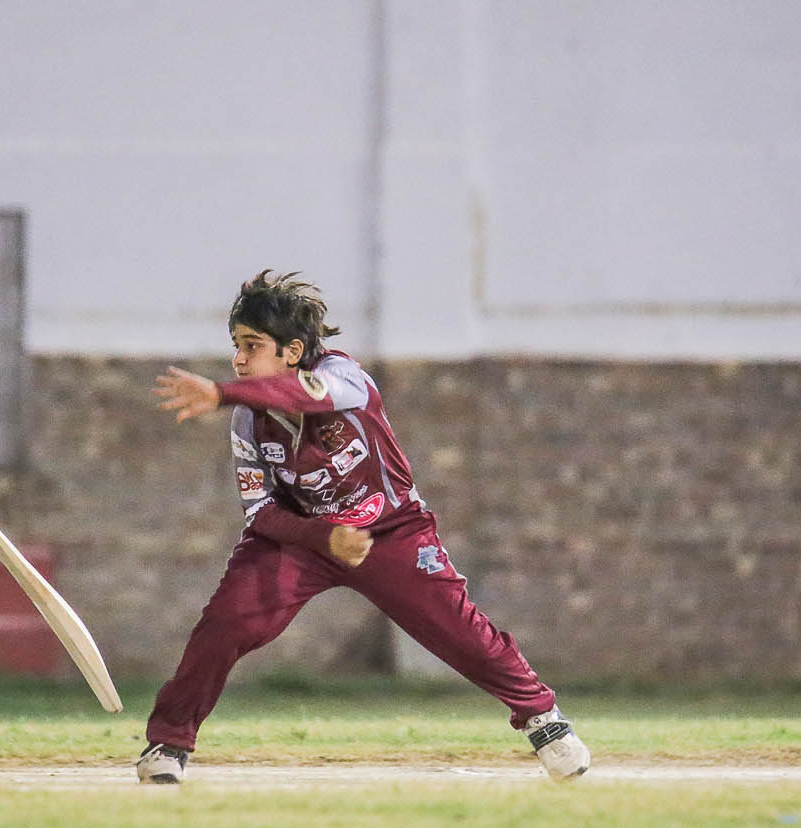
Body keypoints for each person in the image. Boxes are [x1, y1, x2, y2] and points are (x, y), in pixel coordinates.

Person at [138, 270, 591, 784]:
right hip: (303, 538)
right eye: (235, 347)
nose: (239, 359)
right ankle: (168, 744)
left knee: (459, 632)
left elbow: (309, 394)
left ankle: (544, 720)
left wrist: (222, 392)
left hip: (391, 531)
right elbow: (260, 512)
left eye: (252, 346)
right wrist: (322, 537)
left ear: (292, 351)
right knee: (227, 623)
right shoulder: (247, 420)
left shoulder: (345, 376)